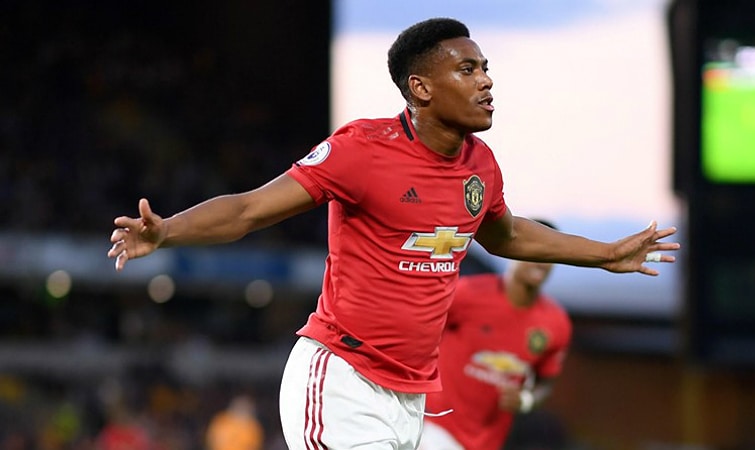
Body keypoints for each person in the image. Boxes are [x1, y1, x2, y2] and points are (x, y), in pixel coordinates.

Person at [107, 17, 679, 449]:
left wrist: (606, 254)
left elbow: (506, 236)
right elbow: (250, 210)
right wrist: (168, 232)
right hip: (343, 381)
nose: (486, 81)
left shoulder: (480, 166)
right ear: (421, 88)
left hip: (412, 400)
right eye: (467, 70)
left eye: (485, 69)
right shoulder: (362, 149)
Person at [419, 219, 571, 450]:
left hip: (488, 441)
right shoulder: (468, 293)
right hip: (436, 427)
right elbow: (421, 331)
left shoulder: (556, 323)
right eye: (535, 248)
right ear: (513, 250)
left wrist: (526, 400)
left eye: (551, 252)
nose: (542, 259)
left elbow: (545, 382)